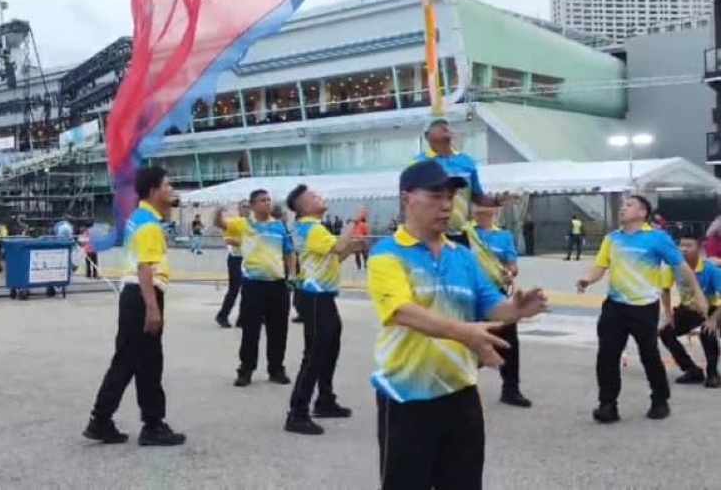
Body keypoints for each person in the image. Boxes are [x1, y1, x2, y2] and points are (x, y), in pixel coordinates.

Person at [369, 160, 547, 489]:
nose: (447, 205)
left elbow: (490, 304)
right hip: (407, 395)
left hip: (460, 393)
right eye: (436, 196)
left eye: (450, 197)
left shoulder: (463, 256)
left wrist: (515, 310)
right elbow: (401, 311)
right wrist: (464, 333)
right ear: (407, 199)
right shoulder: (387, 253)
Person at [577, 195, 709, 423]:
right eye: (622, 205)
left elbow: (681, 267)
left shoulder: (657, 238)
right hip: (615, 307)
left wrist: (698, 294)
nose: (623, 208)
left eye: (629, 205)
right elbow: (600, 266)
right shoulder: (612, 238)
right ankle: (608, 405)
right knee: (607, 355)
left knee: (649, 355)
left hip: (644, 307)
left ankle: (660, 400)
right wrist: (587, 279)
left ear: (642, 212)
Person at [84, 166, 186, 446]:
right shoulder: (149, 224)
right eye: (167, 185)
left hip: (133, 295)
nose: (171, 189)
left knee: (140, 361)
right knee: (136, 361)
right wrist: (152, 308)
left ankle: (130, 421)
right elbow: (145, 267)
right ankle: (121, 421)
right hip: (143, 294)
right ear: (153, 191)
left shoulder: (139, 217)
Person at [283, 184, 363, 435]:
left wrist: (352, 246)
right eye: (314, 196)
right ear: (305, 206)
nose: (320, 197)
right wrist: (354, 221)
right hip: (315, 297)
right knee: (315, 354)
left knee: (329, 347)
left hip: (320, 296)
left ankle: (325, 399)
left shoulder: (311, 228)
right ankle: (297, 413)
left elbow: (334, 257)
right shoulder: (312, 228)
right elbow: (338, 248)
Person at [214, 189, 296, 387]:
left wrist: (292, 274)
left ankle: (276, 369)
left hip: (277, 284)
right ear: (252, 206)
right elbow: (220, 224)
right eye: (262, 200)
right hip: (253, 285)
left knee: (278, 330)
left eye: (268, 199)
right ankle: (246, 370)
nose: (267, 203)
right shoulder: (244, 224)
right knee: (250, 330)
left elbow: (289, 252)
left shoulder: (279, 226)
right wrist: (218, 211)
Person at [468, 206, 532, 408]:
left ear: (495, 210)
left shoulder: (504, 236)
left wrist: (510, 273)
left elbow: (512, 264)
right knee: (466, 341)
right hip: (468, 294)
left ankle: (511, 390)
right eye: (478, 202)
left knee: (508, 343)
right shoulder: (465, 233)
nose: (481, 206)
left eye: (487, 203)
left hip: (496, 293)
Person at [413, 118, 511, 246]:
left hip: (461, 233)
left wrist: (496, 200)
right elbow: (411, 199)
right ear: (427, 136)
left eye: (447, 124)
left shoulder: (466, 162)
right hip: (431, 233)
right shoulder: (418, 163)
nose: (445, 126)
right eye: (438, 125)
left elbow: (477, 197)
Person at [658, 230, 721, 388]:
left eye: (689, 246)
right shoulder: (673, 267)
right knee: (666, 332)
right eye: (681, 245)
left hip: (713, 309)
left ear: (699, 248)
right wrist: (668, 315)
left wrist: (713, 319)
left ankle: (713, 373)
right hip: (688, 309)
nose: (684, 249)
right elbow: (665, 290)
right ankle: (692, 370)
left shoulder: (711, 270)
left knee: (707, 332)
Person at [216, 201, 251, 328]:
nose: (246, 209)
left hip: (249, 260)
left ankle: (242, 318)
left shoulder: (252, 224)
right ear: (239, 209)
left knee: (248, 290)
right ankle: (222, 316)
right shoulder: (233, 223)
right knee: (234, 289)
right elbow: (228, 239)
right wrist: (245, 242)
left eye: (248, 207)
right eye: (244, 207)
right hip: (236, 259)